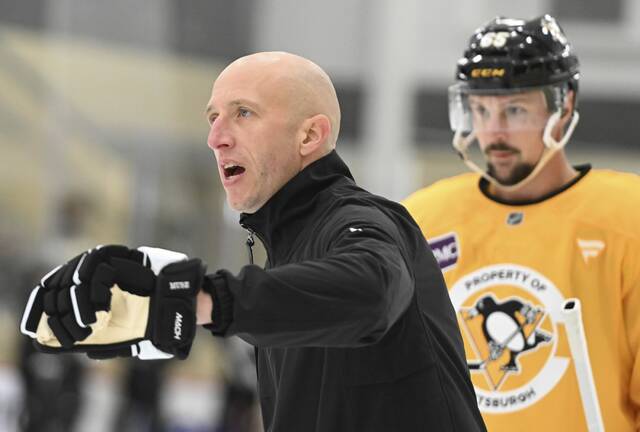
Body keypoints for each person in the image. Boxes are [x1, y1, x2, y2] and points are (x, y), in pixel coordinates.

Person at [20, 52, 486, 432]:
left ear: (310, 135)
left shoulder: (360, 220)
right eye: (213, 118)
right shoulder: (288, 251)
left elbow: (370, 291)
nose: (216, 138)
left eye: (243, 113)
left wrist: (197, 298)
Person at [403, 14, 640, 431]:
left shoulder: (627, 216)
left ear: (564, 105)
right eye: (480, 110)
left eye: (514, 110)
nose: (493, 132)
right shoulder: (423, 218)